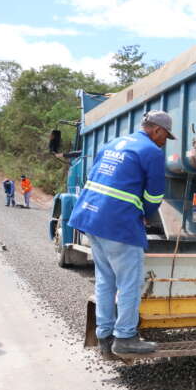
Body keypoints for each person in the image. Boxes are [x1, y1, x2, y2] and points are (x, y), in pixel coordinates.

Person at [69, 111, 173, 357]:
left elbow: (97, 176)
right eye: (165, 136)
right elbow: (155, 195)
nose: (164, 141)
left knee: (106, 280)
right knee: (129, 283)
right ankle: (125, 337)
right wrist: (146, 214)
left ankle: (105, 337)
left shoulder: (112, 144)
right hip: (118, 224)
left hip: (92, 218)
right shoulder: (151, 152)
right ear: (156, 130)